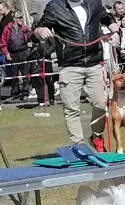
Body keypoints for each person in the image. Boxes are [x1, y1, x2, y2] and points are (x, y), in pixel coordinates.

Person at [34, 0, 117, 150]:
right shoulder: (55, 6)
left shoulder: (94, 3)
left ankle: (97, 136)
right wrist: (40, 31)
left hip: (94, 63)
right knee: (71, 108)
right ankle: (79, 146)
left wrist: (114, 30)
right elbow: (38, 30)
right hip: (70, 65)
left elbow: (107, 18)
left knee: (100, 104)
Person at [0, 6, 34, 99]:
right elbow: (3, 43)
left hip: (23, 53)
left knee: (25, 74)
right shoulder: (7, 28)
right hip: (13, 54)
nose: (21, 19)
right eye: (19, 18)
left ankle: (25, 92)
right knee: (14, 75)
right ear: (14, 19)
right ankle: (15, 92)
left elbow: (31, 38)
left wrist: (29, 49)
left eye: (22, 18)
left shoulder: (24, 28)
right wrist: (6, 53)